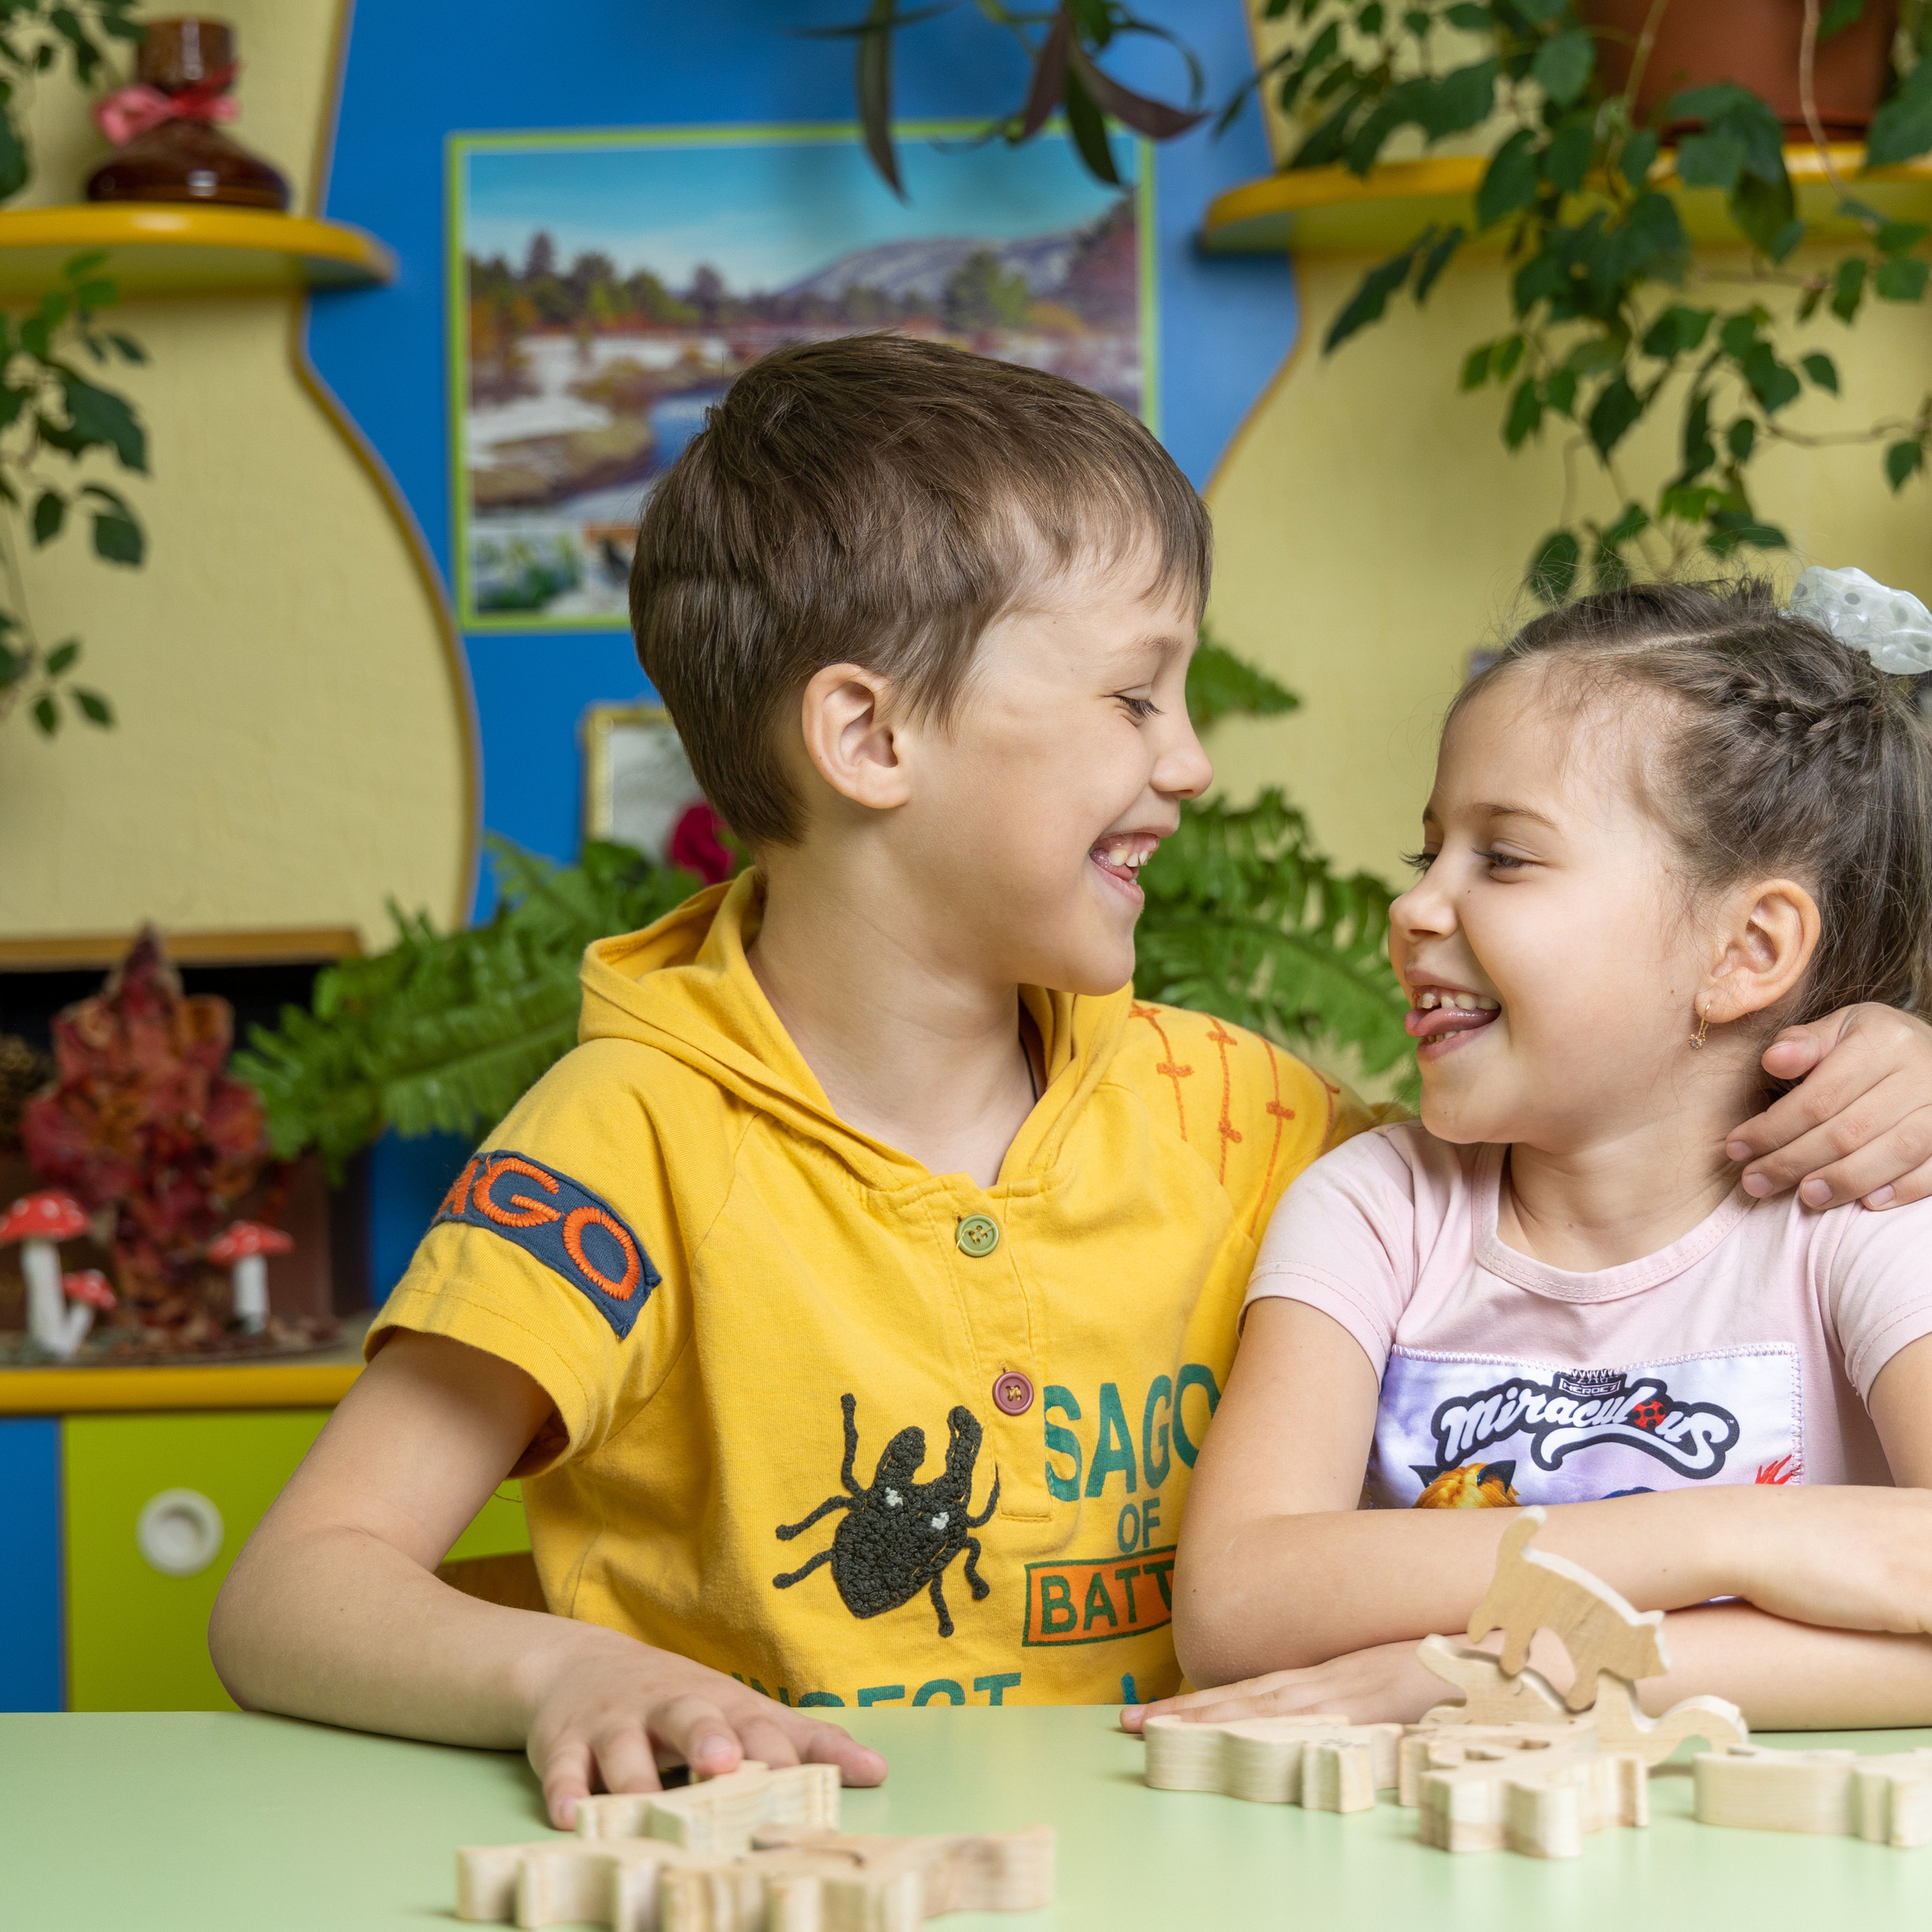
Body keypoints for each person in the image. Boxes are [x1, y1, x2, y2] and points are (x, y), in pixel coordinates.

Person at [208, 341, 1932, 1820]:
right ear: (870, 739)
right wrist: (558, 1673)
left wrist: (1877, 1052)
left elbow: (1597, 1139)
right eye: (1134, 692)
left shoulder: (1251, 1119)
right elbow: (293, 1591)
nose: (1186, 762)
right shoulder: (627, 1138)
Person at [1149, 572, 1932, 1736]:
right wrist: (1741, 1534)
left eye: (1504, 859)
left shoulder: (1858, 1224)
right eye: (1429, 857)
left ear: (1745, 951)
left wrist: (1513, 1670)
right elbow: (1236, 1600)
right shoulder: (1376, 1210)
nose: (1414, 910)